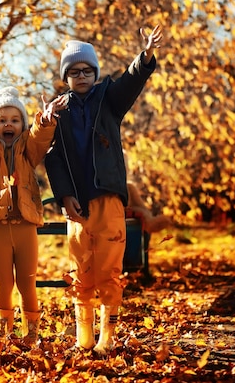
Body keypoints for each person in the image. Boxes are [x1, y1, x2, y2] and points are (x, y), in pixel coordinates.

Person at [44, 26, 163, 354]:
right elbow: (53, 157)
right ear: (66, 77)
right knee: (79, 269)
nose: (81, 76)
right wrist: (64, 195)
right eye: (73, 71)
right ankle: (83, 335)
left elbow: (131, 80)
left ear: (94, 73)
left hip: (108, 197)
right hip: (76, 205)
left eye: (87, 70)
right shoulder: (60, 111)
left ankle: (106, 336)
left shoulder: (108, 98)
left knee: (109, 269)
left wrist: (146, 55)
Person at [0, 87, 67, 345]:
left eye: (15, 120)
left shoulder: (28, 150)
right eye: (2, 120)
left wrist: (46, 121)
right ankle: (3, 335)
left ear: (22, 125)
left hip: (25, 225)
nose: (9, 124)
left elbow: (40, 140)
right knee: (3, 283)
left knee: (27, 283)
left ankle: (31, 335)